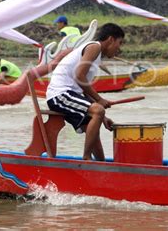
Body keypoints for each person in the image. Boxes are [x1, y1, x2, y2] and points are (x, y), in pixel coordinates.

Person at [46, 23, 125, 161]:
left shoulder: (97, 54)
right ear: (111, 39)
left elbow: (83, 88)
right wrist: (99, 100)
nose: (119, 48)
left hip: (69, 94)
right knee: (98, 111)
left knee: (94, 122)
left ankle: (102, 164)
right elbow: (79, 76)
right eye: (120, 43)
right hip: (59, 94)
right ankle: (87, 157)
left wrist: (103, 118)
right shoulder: (94, 47)